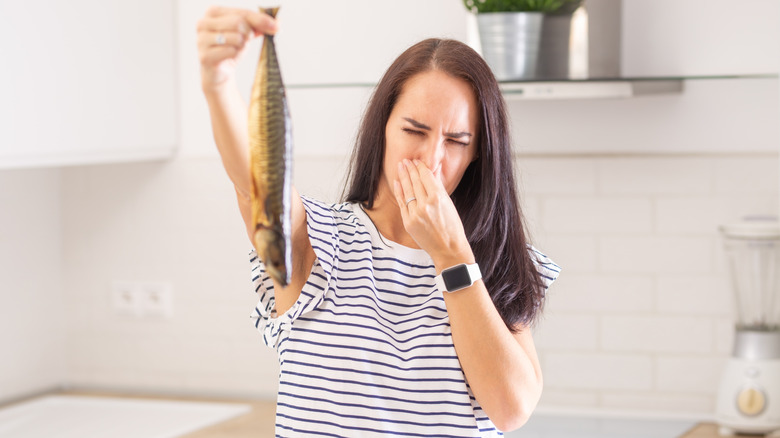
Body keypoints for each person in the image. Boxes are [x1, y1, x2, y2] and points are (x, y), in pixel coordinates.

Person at [197, 6, 560, 437]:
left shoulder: (495, 264)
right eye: (414, 131)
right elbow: (253, 185)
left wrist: (450, 254)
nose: (431, 160)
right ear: (383, 127)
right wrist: (218, 83)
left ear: (478, 153)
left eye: (457, 141)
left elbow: (511, 408)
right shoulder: (319, 242)